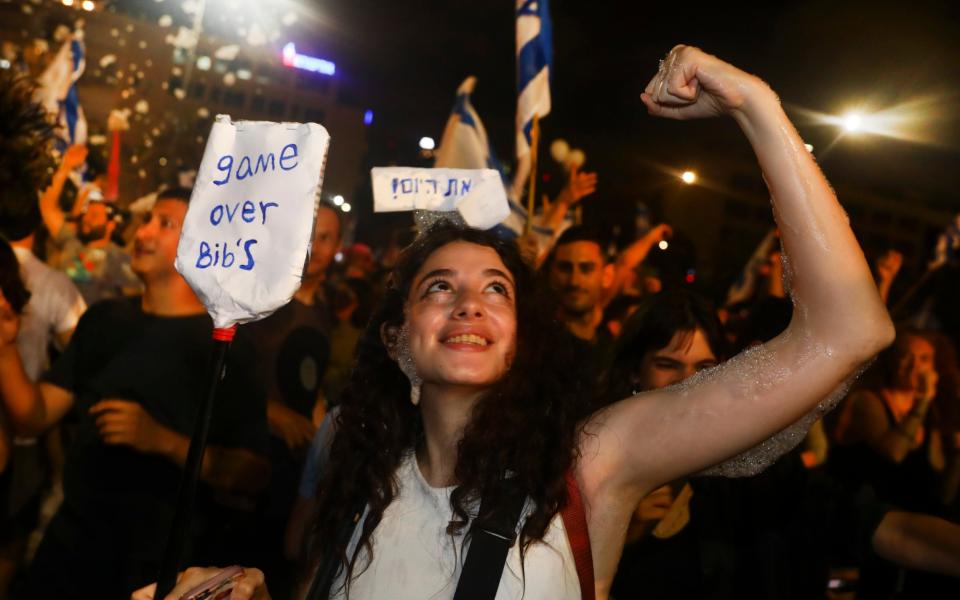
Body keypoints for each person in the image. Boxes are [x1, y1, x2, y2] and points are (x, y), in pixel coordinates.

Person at [137, 45, 894, 600]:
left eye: (496, 289)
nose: (469, 302)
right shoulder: (357, 485)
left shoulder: (589, 467)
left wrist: (754, 106)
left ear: (522, 337)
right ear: (398, 343)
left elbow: (848, 332)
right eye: (439, 286)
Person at [0, 188, 270, 597]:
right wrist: (3, 343)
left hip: (154, 571)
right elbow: (33, 415)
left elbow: (252, 473)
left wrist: (161, 440)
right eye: (146, 220)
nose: (142, 232)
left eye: (165, 223)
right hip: (70, 553)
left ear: (203, 244)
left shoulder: (224, 343)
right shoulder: (104, 319)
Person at [605, 290, 960, 599]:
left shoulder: (751, 469)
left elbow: (886, 527)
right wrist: (628, 530)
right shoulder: (599, 456)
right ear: (635, 371)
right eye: (667, 365)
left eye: (704, 367)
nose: (686, 383)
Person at [38, 143, 141, 305]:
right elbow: (48, 207)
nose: (87, 219)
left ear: (110, 225)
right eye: (86, 214)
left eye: (95, 215)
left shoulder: (120, 259)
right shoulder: (71, 239)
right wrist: (66, 166)